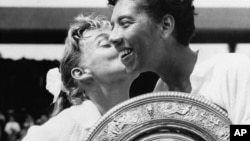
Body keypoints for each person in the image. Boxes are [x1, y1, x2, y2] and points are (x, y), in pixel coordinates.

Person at [108, 0, 250, 124]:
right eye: (112, 27)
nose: (112, 37)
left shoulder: (232, 70)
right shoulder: (154, 103)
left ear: (165, 25)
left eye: (125, 24)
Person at [22, 14, 138, 141]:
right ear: (81, 73)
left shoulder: (145, 121)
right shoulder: (61, 129)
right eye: (105, 44)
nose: (120, 43)